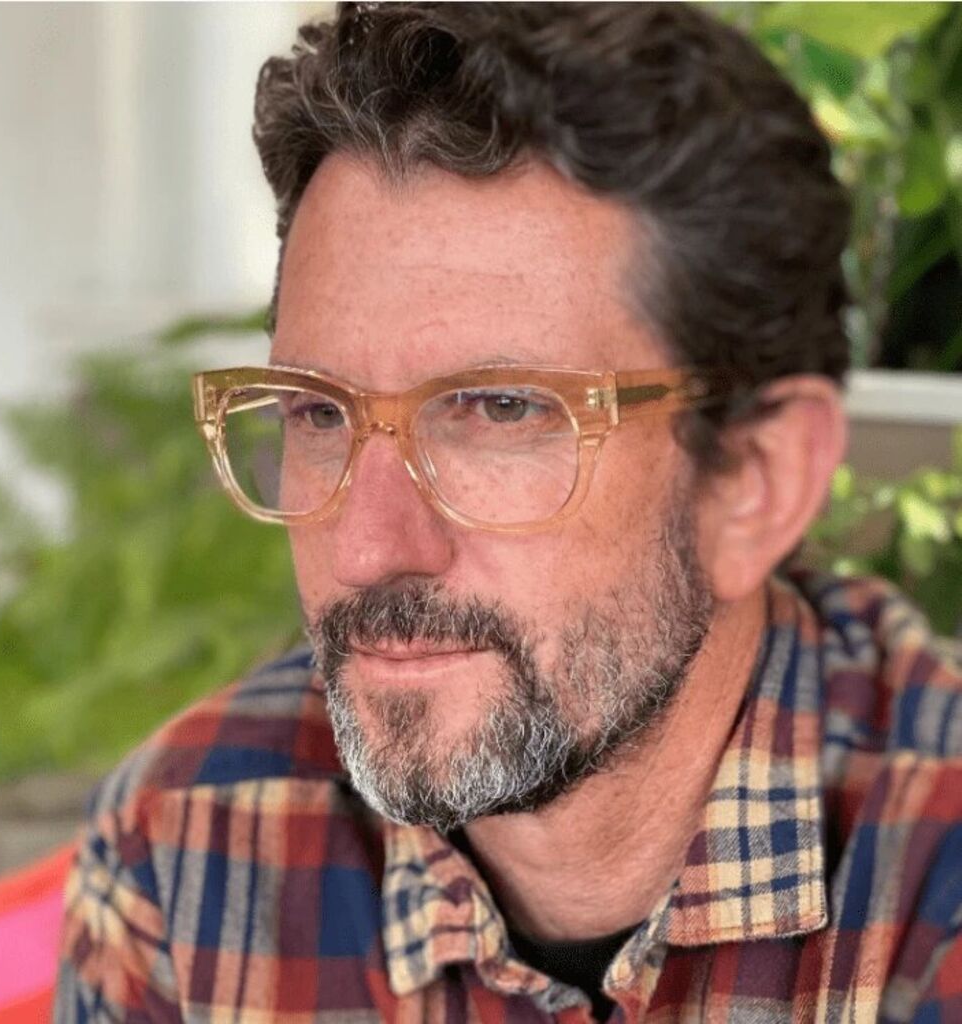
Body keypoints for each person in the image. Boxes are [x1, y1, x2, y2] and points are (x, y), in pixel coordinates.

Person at [55, 4, 962, 1021]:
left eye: (499, 409)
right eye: (319, 411)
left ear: (756, 479)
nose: (366, 549)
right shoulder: (186, 848)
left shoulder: (936, 886)